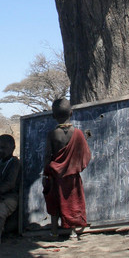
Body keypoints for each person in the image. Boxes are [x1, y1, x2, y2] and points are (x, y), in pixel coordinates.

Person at [43, 100, 90, 239]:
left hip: (55, 175)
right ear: (71, 112)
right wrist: (75, 166)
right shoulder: (78, 134)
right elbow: (86, 155)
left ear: (53, 116)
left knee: (54, 202)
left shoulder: (52, 134)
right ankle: (74, 232)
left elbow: (47, 157)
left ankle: (54, 231)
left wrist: (45, 175)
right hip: (72, 176)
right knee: (73, 202)